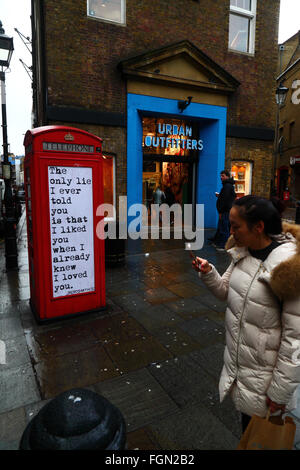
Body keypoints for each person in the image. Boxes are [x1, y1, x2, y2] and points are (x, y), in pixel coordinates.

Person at [192, 195, 300, 434]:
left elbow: (296, 341)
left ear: (258, 227)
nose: (230, 231)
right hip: (242, 370)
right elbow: (225, 292)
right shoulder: (243, 252)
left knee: (262, 439)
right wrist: (209, 273)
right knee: (248, 434)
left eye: (235, 225)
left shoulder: (289, 269)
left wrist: (280, 393)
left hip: (268, 382)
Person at [208, 170, 236, 250]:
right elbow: (228, 197)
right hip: (226, 210)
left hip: (225, 211)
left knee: (224, 228)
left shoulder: (227, 186)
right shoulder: (228, 186)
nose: (221, 177)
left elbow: (225, 200)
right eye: (220, 176)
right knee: (223, 227)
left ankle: (223, 245)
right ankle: (219, 242)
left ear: (227, 176)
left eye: (223, 176)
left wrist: (220, 211)